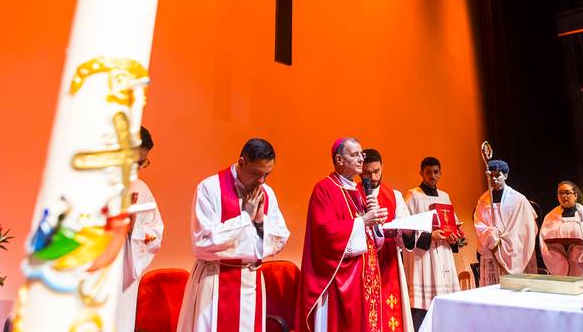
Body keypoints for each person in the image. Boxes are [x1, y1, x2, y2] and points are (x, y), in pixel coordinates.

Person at [176, 138, 290, 332]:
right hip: (214, 281)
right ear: (242, 162)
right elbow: (203, 242)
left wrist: (260, 221)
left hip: (251, 282)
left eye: (266, 174)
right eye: (256, 173)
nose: (261, 181)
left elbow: (280, 238)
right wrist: (245, 218)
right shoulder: (209, 188)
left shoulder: (267, 193)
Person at [295, 137, 389, 332]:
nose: (361, 159)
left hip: (366, 276)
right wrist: (363, 221)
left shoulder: (360, 190)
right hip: (341, 278)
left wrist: (376, 222)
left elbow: (372, 240)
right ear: (339, 160)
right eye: (355, 155)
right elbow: (324, 235)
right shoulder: (324, 189)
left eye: (361, 154)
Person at [403, 157, 465, 331]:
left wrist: (454, 238)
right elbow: (406, 229)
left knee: (446, 305)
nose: (432, 176)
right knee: (423, 307)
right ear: (421, 173)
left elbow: (453, 224)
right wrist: (430, 236)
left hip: (443, 254)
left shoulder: (445, 196)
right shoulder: (413, 195)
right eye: (428, 172)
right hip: (423, 258)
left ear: (440, 174)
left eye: (436, 172)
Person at [361, 148, 414, 332]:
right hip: (363, 264)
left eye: (376, 171)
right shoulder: (353, 194)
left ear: (382, 167)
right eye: (367, 173)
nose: (373, 177)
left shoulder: (395, 196)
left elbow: (404, 230)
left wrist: (407, 232)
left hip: (389, 262)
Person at [118, 126, 164, 331]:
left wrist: (133, 228)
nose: (137, 169)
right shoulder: (94, 184)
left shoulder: (140, 189)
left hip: (123, 277)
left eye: (142, 163)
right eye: (134, 162)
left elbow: (156, 234)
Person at [473, 159, 537, 287]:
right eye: (491, 176)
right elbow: (479, 224)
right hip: (491, 248)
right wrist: (491, 234)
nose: (494, 179)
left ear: (505, 176)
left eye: (497, 175)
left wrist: (506, 239)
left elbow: (527, 227)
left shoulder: (518, 199)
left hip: (514, 250)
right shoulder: (483, 200)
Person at [539, 181, 583, 276]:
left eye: (567, 193)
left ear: (575, 195)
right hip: (558, 260)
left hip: (582, 263)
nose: (564, 196)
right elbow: (544, 243)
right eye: (560, 193)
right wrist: (559, 261)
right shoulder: (550, 217)